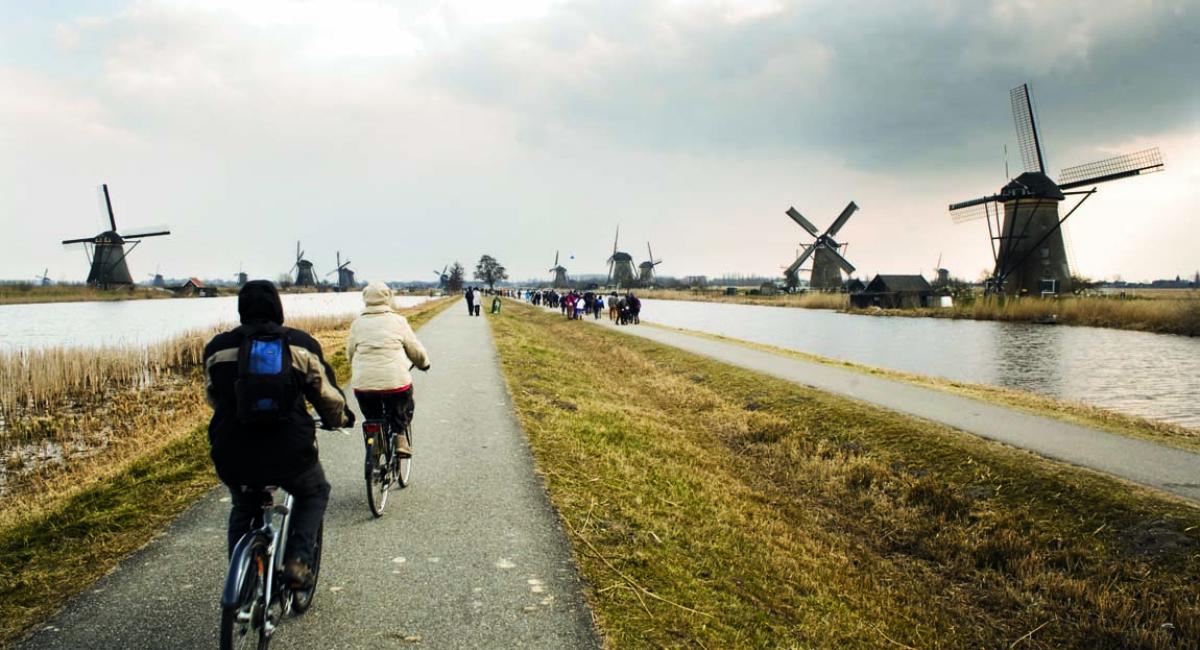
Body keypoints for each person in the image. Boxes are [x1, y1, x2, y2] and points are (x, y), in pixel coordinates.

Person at [203, 280, 352, 588]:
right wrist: (339, 419)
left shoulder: (217, 348)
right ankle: (298, 561)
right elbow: (326, 396)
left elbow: (214, 397)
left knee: (244, 507)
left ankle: (241, 580)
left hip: (233, 451)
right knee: (314, 492)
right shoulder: (300, 345)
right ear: (277, 307)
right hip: (290, 451)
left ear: (241, 309)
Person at [346, 282, 430, 458]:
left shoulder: (357, 324)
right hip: (395, 382)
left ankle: (374, 441)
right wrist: (423, 364)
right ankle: (400, 436)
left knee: (372, 415)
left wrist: (355, 365)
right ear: (388, 298)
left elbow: (350, 353)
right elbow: (414, 349)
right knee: (404, 405)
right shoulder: (398, 321)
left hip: (364, 385)